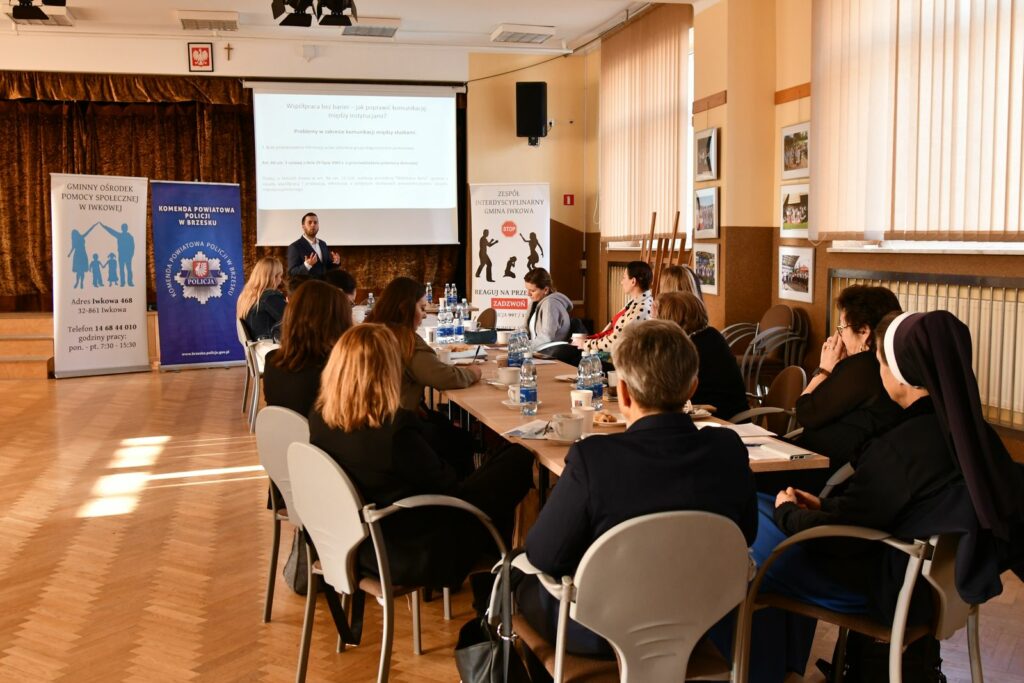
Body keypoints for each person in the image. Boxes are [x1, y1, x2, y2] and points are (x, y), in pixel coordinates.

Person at [749, 310, 1024, 680]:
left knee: (749, 524)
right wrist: (824, 505)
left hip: (884, 591)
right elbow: (893, 509)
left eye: (880, 362)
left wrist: (788, 514)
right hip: (938, 590)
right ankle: (786, 668)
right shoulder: (977, 439)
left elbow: (843, 538)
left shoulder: (901, 448)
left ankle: (760, 671)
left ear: (902, 375)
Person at [520, 320, 758, 657]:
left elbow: (544, 555)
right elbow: (745, 535)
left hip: (602, 631)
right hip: (702, 624)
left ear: (624, 393)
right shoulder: (728, 450)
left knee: (509, 584)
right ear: (693, 388)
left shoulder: (594, 459)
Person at [308, 323, 534, 587]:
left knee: (495, 465)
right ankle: (498, 584)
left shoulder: (319, 418)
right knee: (516, 458)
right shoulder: (394, 430)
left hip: (355, 542)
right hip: (411, 548)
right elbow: (447, 484)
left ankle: (491, 589)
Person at [793, 285, 904, 478]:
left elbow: (805, 411)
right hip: (831, 466)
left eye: (842, 328)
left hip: (821, 472)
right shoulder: (891, 363)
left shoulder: (863, 366)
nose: (839, 336)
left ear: (863, 332)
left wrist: (824, 369)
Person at [366, 276, 481, 411]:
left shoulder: (365, 332)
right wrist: (472, 373)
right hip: (395, 425)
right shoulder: (404, 339)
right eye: (422, 308)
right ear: (405, 309)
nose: (425, 315)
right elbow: (443, 377)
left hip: (361, 421)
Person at [263, 280, 353, 418]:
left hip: (281, 438)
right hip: (318, 439)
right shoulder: (334, 369)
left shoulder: (272, 360)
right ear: (337, 323)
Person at [655, 291, 747, 420]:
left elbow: (666, 391)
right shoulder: (710, 334)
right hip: (708, 414)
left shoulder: (691, 346)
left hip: (718, 419)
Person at [573, 261, 653, 355]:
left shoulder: (642, 308)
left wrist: (585, 344)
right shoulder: (635, 302)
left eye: (624, 277)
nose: (621, 282)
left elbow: (617, 342)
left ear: (633, 281)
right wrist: (588, 340)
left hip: (622, 359)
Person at [522, 268, 573, 352]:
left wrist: (524, 348)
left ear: (545, 290)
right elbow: (525, 329)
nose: (528, 294)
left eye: (532, 290)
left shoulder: (550, 304)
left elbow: (547, 336)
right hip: (538, 351)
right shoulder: (535, 303)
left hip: (549, 355)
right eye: (527, 290)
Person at [236, 257, 286, 341]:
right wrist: (292, 308)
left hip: (259, 350)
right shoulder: (270, 296)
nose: (280, 280)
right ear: (273, 277)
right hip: (272, 348)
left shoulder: (245, 297)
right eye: (279, 276)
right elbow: (294, 322)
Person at [287, 212, 341, 279]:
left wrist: (335, 262)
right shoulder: (295, 247)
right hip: (308, 288)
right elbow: (292, 273)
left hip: (324, 286)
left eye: (315, 222)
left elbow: (326, 267)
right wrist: (307, 265)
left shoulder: (323, 244)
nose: (313, 225)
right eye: (309, 222)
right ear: (303, 226)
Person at [98, 222, 135, 287]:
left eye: (124, 228)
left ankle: (130, 282)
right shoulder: (119, 235)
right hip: (121, 255)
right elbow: (111, 231)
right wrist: (104, 226)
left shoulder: (130, 237)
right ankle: (123, 282)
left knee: (128, 269)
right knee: (122, 269)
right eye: (123, 228)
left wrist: (131, 255)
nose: (123, 229)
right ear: (122, 228)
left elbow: (132, 247)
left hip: (128, 256)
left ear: (126, 228)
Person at [67, 223, 97, 289]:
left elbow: (88, 232)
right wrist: (69, 254)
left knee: (81, 270)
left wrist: (93, 226)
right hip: (79, 255)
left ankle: (81, 283)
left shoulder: (80, 237)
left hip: (81, 254)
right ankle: (78, 282)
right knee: (79, 270)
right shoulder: (78, 239)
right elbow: (73, 247)